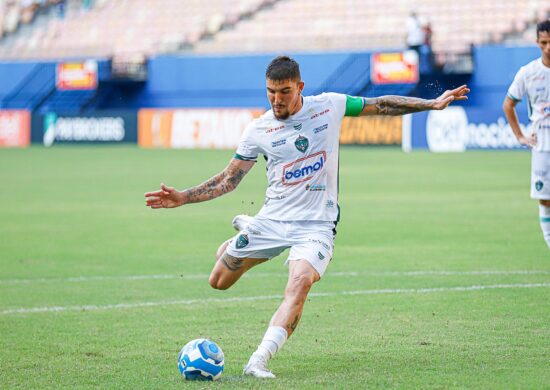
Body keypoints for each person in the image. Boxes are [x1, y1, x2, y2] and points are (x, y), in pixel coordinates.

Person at [144, 56, 470, 378]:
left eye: (284, 91)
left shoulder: (329, 106)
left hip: (316, 224)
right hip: (273, 220)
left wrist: (431, 104)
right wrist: (184, 197)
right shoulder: (258, 129)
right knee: (219, 282)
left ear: (300, 87)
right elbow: (230, 179)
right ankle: (246, 230)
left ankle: (258, 361)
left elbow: (381, 104)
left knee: (299, 283)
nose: (276, 99)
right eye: (271, 91)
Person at [503, 20, 550, 249]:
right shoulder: (528, 73)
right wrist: (519, 136)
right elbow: (508, 104)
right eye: (544, 42)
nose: (549, 47)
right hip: (542, 145)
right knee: (545, 198)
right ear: (537, 43)